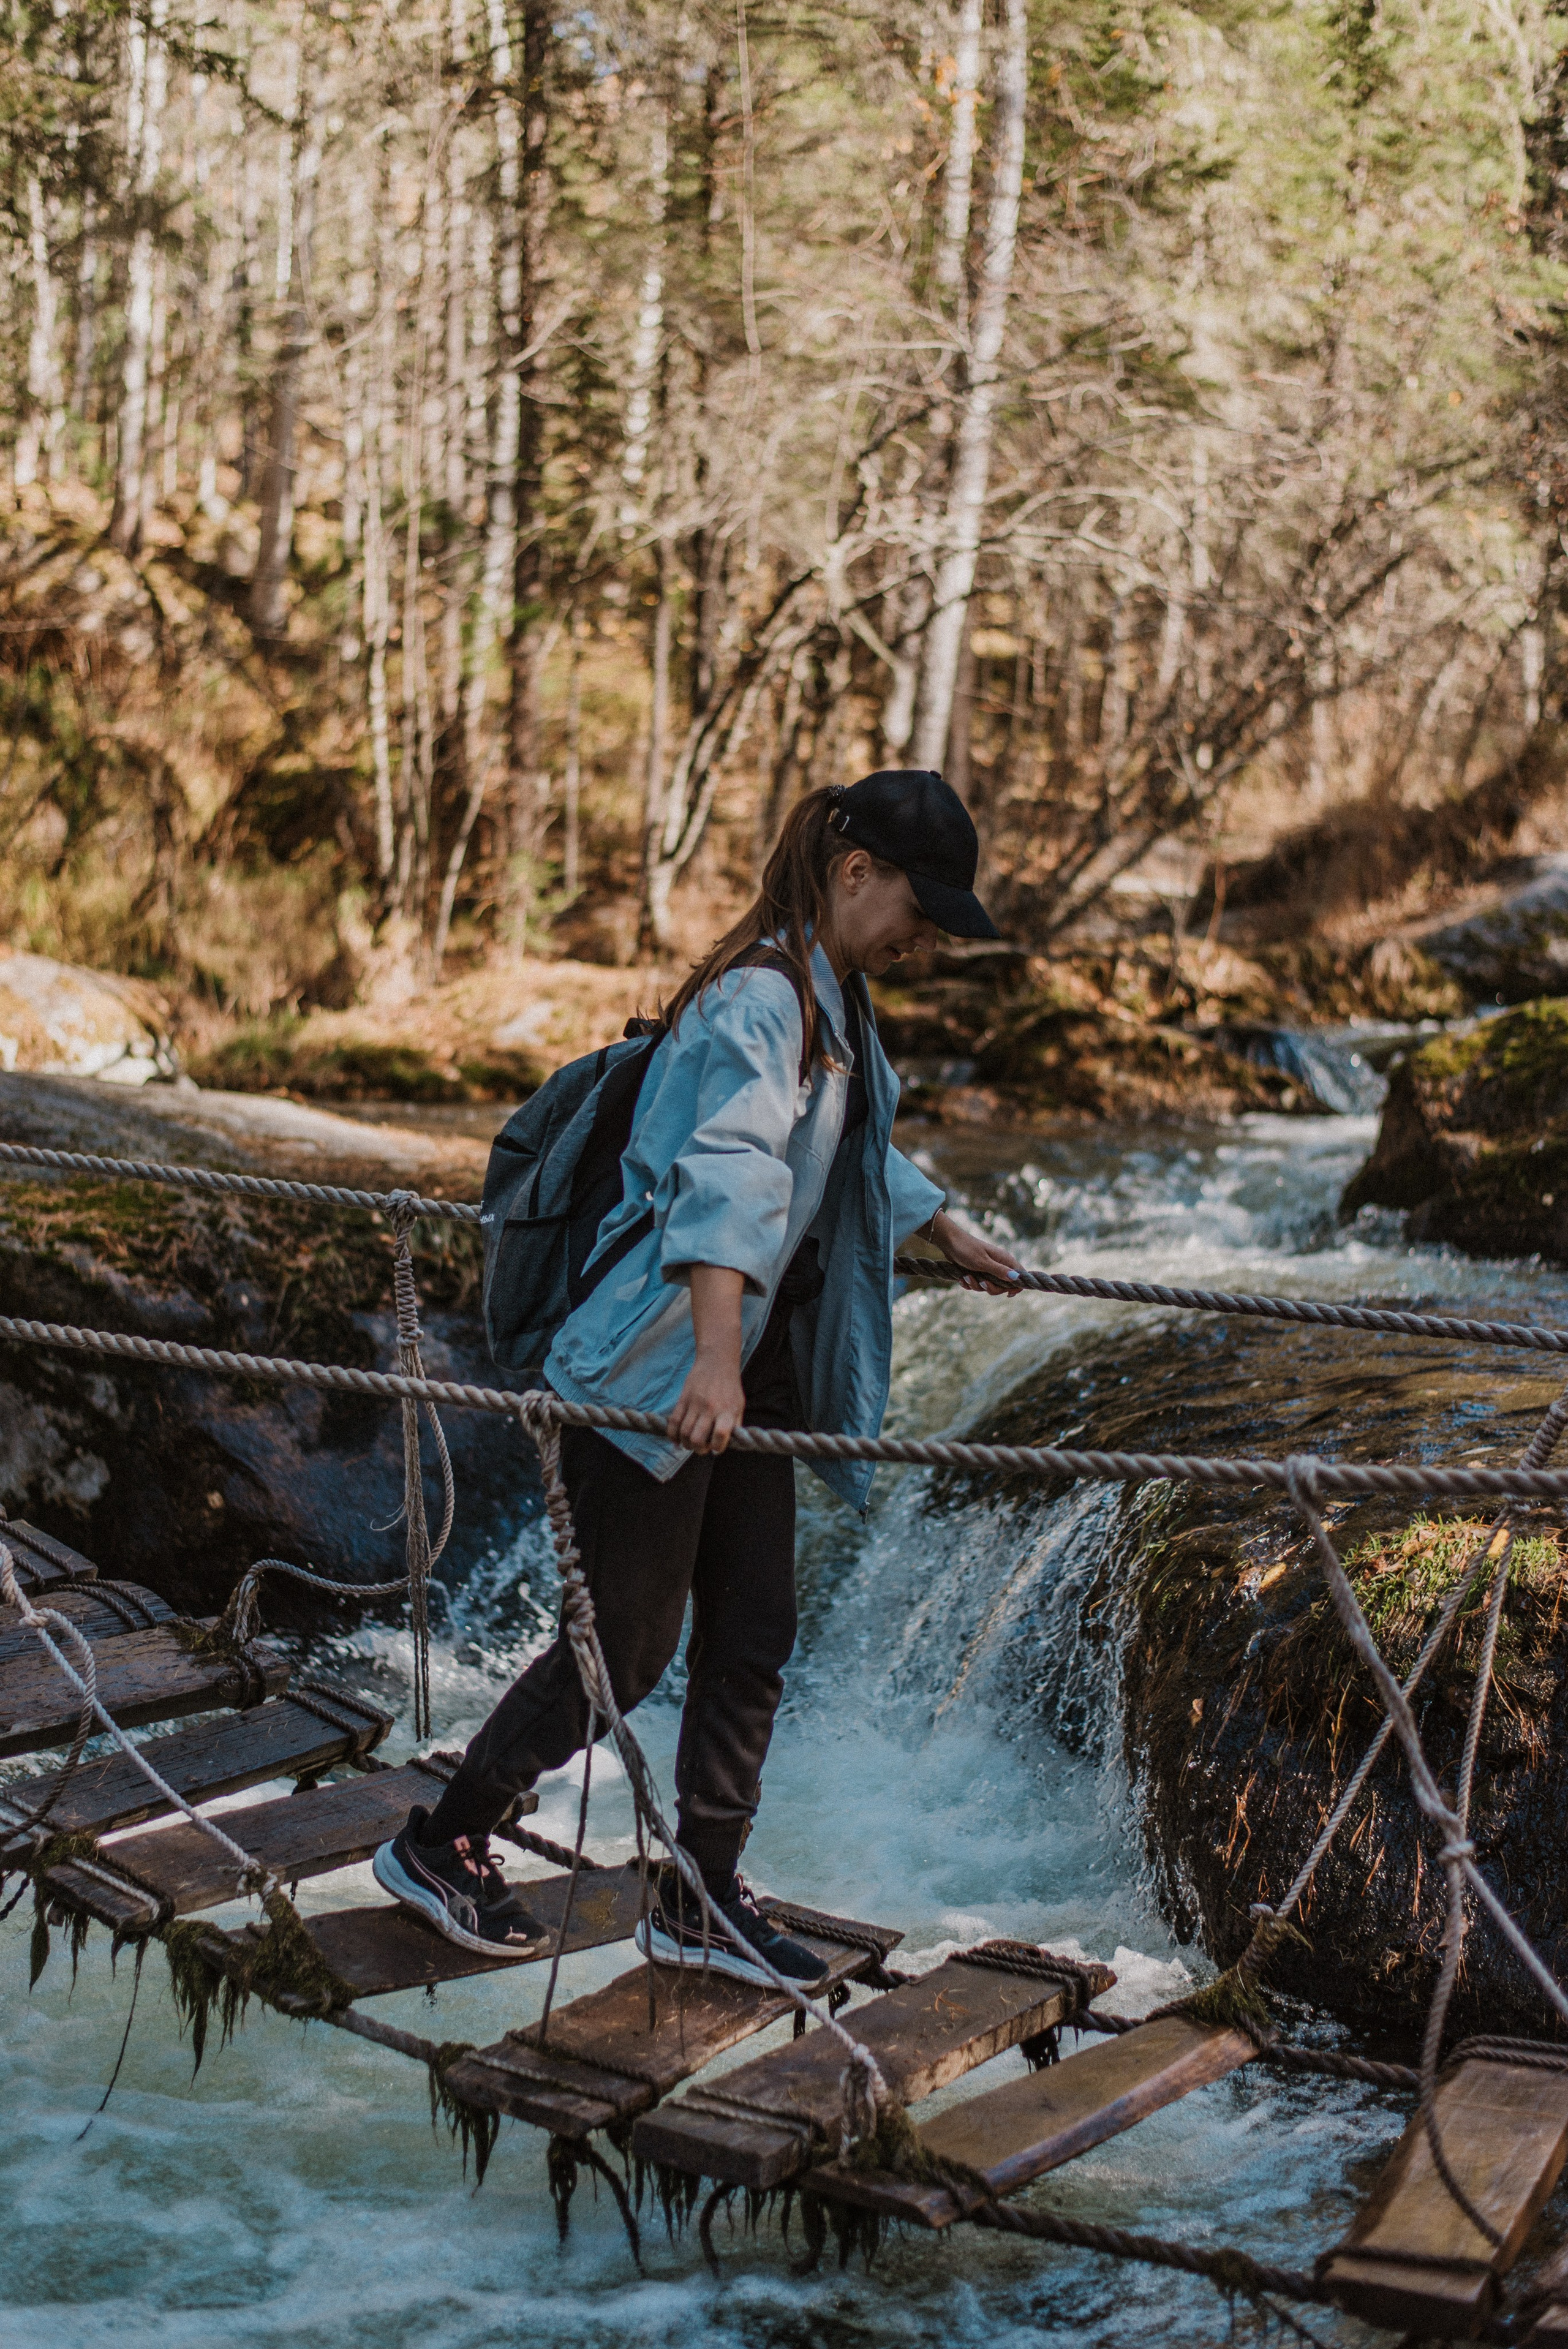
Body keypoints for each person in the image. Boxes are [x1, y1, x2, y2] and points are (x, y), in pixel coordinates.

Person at [374, 769, 1023, 1986]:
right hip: (653, 1370)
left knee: (753, 1634)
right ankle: (441, 1839)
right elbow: (728, 1174)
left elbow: (831, 1150)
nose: (925, 941)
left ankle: (701, 1890)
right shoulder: (762, 997)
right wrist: (715, 1364)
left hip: (742, 1369)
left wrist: (938, 1223)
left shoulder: (832, 999)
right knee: (622, 1651)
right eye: (919, 911)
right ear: (854, 873)